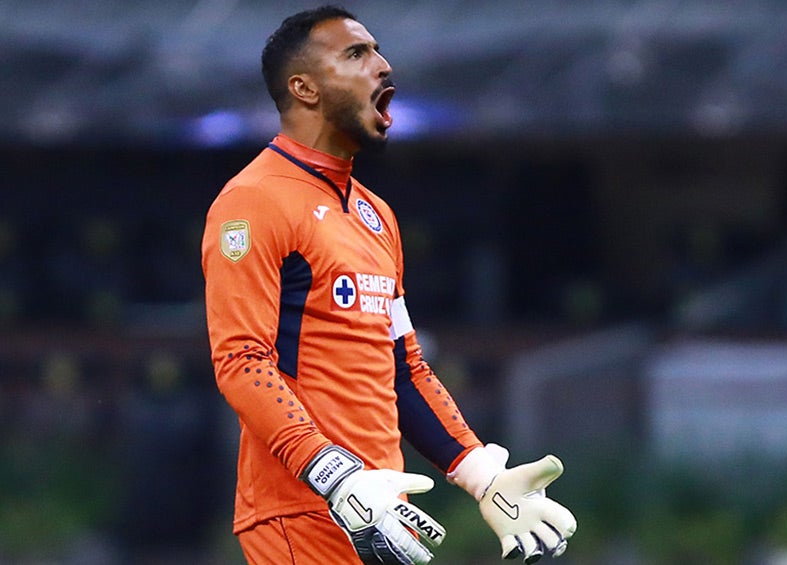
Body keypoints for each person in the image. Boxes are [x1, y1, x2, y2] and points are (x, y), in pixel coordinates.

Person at [201, 5, 577, 564]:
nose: (383, 66)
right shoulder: (253, 201)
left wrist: (481, 474)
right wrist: (335, 476)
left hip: (382, 511)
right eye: (357, 54)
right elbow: (242, 360)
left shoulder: (377, 215)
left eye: (377, 50)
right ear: (303, 88)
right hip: (305, 512)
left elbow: (403, 367)